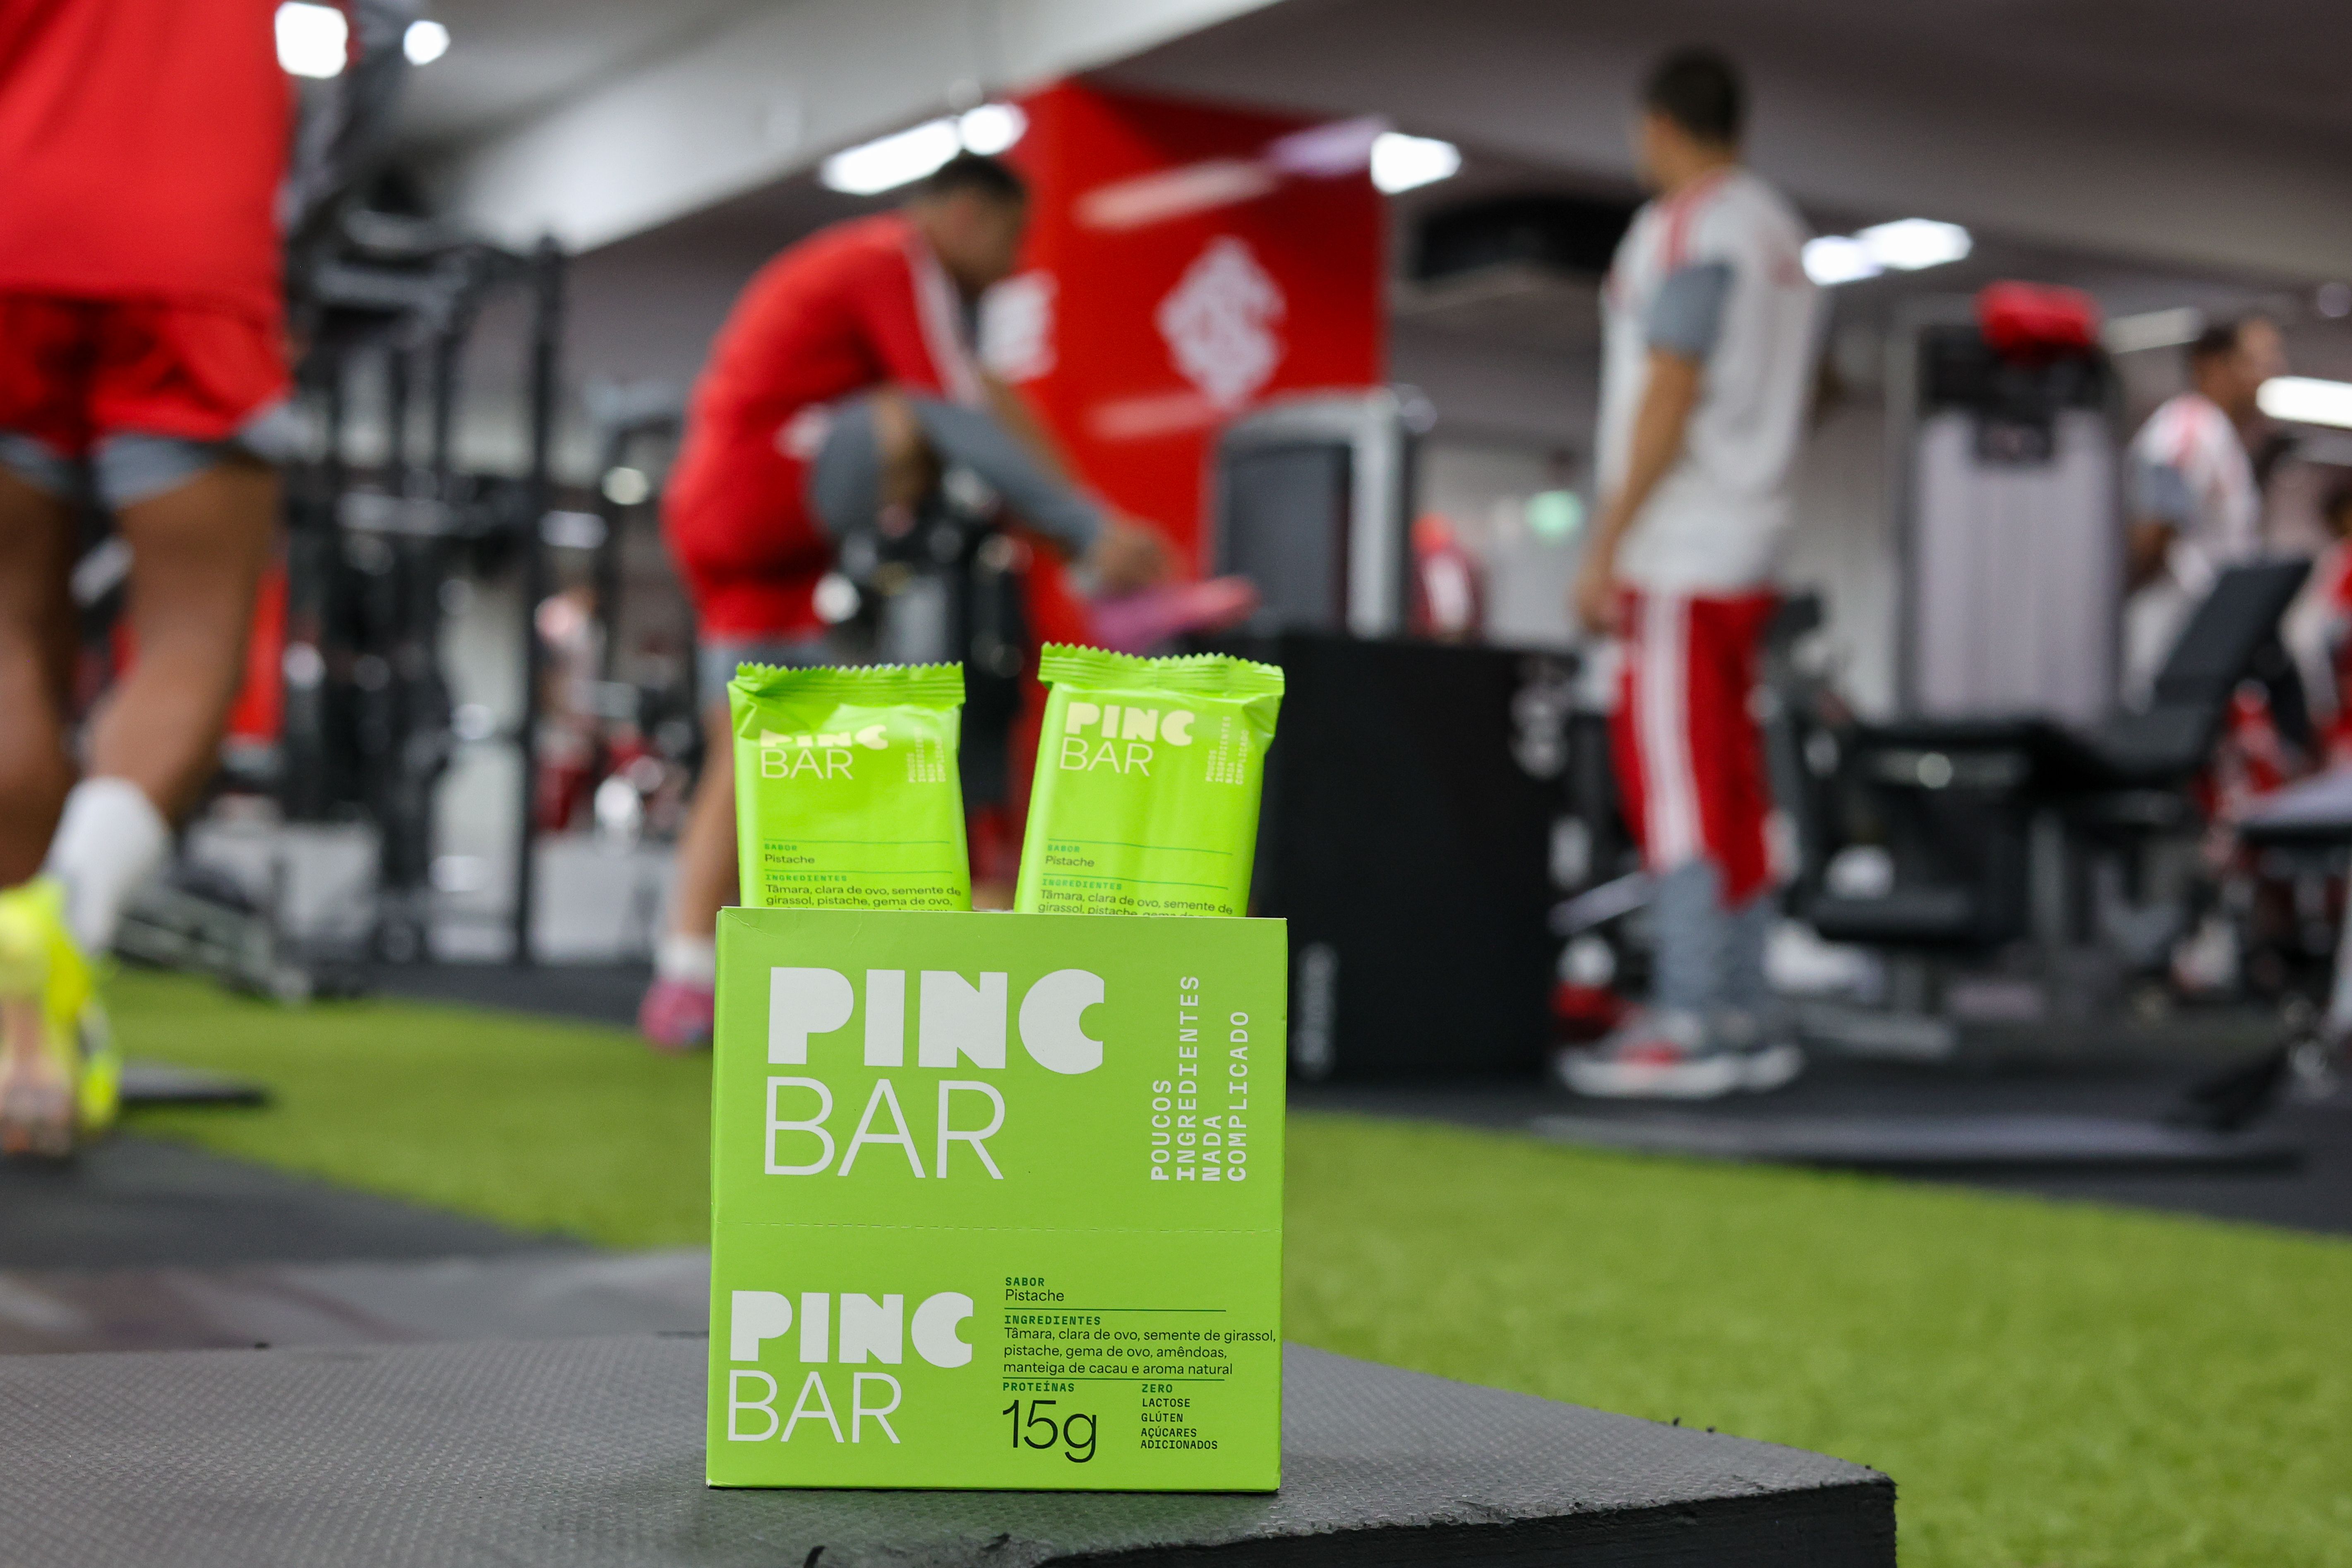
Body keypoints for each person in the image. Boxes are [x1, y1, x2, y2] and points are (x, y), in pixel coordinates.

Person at [0, 0, 410, 1154]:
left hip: (11, 239)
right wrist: (296, 241)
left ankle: (13, 1004)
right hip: (190, 249)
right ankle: (63, 923)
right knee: (191, 640)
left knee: (10, 636)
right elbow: (380, 37)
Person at [644, 152, 1166, 1049]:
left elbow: (980, 397)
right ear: (965, 215)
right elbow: (952, 409)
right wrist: (1083, 529)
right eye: (1011, 238)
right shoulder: (891, 259)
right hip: (762, 493)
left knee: (749, 749)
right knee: (930, 415)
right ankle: (1086, 553)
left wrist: (1078, 520)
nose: (1013, 265)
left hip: (737, 530)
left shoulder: (861, 277)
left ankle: (686, 977)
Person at [1557, 46, 1822, 1099]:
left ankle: (1689, 1019)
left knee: (1674, 785)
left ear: (1659, 126)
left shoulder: (1687, 226)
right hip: (1748, 545)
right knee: (1730, 781)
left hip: (1679, 549)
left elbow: (1671, 381)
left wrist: (1605, 545)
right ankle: (1745, 1013)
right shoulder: (1783, 233)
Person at [2124, 316, 2286, 706]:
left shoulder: (2221, 437)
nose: (2270, 373)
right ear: (2211, 365)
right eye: (2255, 361)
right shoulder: (2186, 428)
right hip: (2168, 654)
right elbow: (2151, 530)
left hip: (2205, 654)